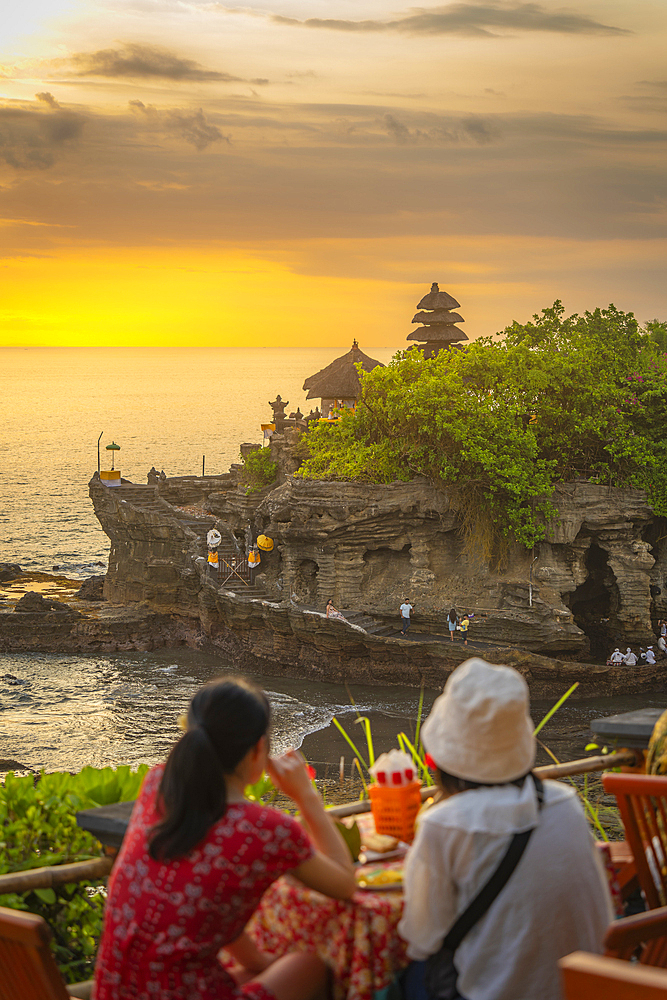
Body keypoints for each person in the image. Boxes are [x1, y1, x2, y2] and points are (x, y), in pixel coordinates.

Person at [94, 677, 356, 1000]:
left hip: (115, 991)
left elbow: (207, 902)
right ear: (259, 748)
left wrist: (259, 962)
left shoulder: (158, 786)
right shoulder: (263, 829)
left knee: (255, 970)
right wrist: (305, 796)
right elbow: (345, 884)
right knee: (307, 967)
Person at [399, 658, 612, 1000]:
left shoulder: (444, 824)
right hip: (586, 988)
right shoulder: (565, 803)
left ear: (437, 760)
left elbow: (422, 937)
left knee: (401, 976)